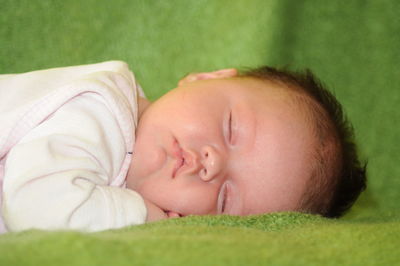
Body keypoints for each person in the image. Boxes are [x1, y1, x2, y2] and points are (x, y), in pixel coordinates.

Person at [0, 61, 366, 233]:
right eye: (230, 128)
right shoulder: (100, 109)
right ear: (205, 77)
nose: (211, 163)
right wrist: (143, 213)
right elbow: (36, 206)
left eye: (224, 199)